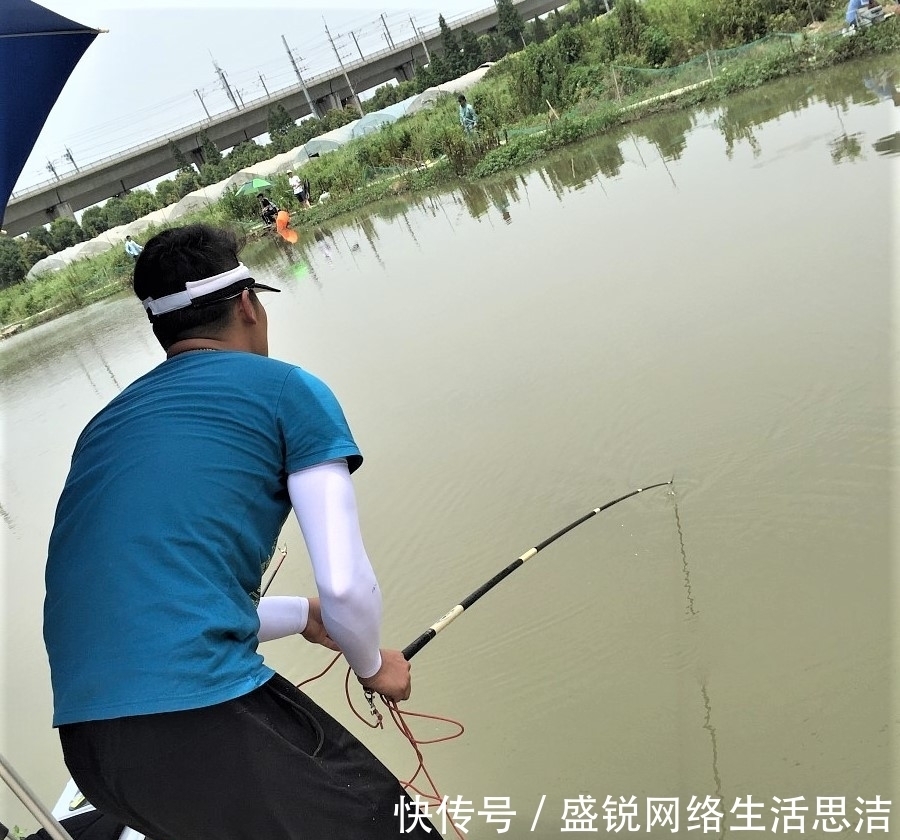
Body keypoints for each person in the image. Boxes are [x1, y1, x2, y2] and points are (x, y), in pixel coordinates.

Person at [43, 223, 435, 840]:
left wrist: (296, 615)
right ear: (248, 303)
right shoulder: (286, 390)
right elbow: (345, 585)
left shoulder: (104, 425)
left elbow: (151, 602)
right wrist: (370, 664)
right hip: (199, 718)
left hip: (93, 752)